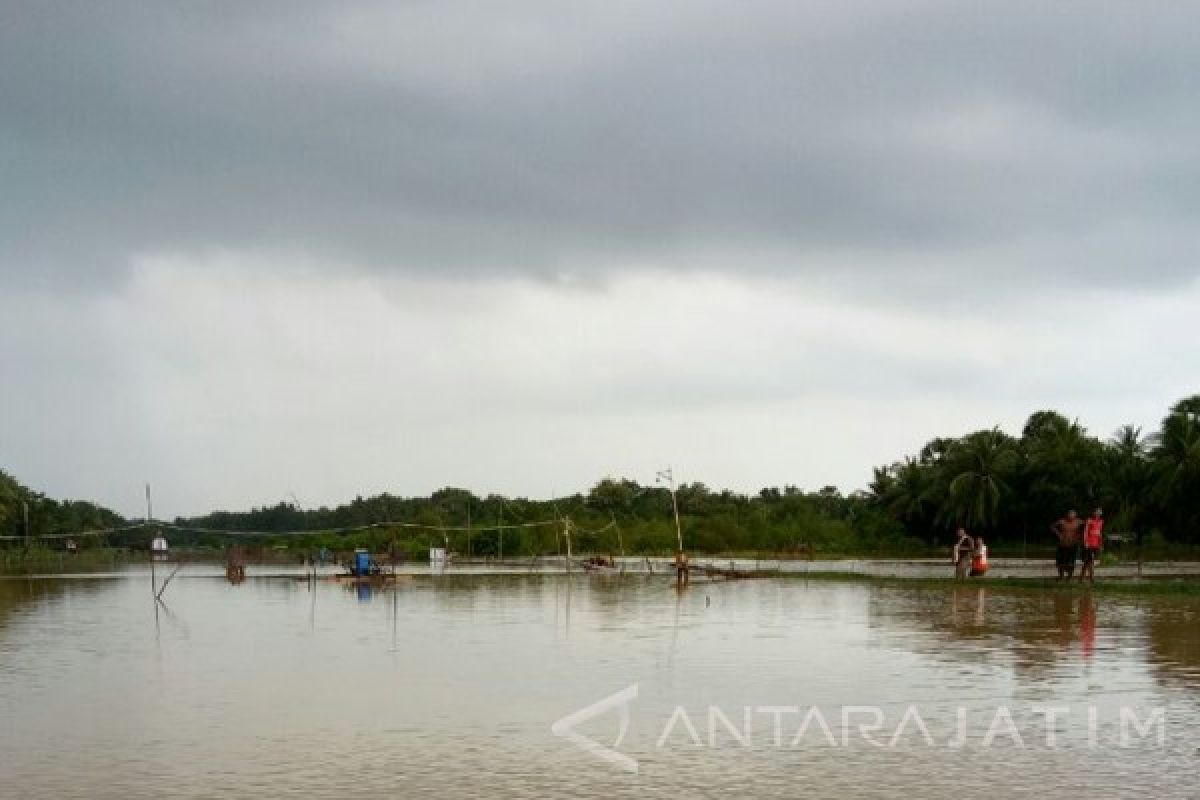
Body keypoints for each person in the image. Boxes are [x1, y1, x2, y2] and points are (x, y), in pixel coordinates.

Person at [1051, 510, 1083, 581]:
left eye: (1073, 515)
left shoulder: (1079, 521)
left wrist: (1079, 536)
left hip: (1073, 544)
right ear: (1067, 515)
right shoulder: (1062, 521)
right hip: (1063, 544)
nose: (1071, 516)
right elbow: (1052, 526)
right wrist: (1058, 534)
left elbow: (1086, 528)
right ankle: (1061, 576)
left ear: (1075, 516)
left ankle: (1069, 576)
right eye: (1069, 515)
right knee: (1060, 561)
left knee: (1071, 561)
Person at [1081, 508, 1104, 583]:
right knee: (1091, 560)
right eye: (1096, 512)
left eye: (1099, 513)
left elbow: (1100, 533)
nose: (1098, 514)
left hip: (1096, 543)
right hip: (1089, 543)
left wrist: (1101, 543)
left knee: (1087, 561)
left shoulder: (1101, 521)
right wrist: (1085, 542)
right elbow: (1085, 531)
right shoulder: (1089, 520)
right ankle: (1091, 577)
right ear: (1093, 513)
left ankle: (1082, 577)